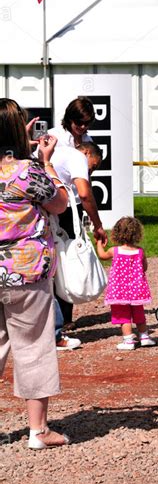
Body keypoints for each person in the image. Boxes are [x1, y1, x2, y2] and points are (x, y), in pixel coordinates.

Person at [0, 98, 70, 448]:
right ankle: (38, 431)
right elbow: (60, 203)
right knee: (33, 348)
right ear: (17, 130)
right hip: (26, 273)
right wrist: (45, 161)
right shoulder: (27, 172)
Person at [51, 141, 107, 334]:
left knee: (50, 265)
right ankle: (61, 322)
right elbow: (84, 194)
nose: (91, 172)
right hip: (62, 212)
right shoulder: (77, 157)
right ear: (86, 152)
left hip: (45, 210)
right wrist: (98, 225)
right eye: (93, 166)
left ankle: (54, 322)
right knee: (66, 263)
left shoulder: (56, 153)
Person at [96, 216, 156, 350]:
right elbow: (144, 267)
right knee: (139, 313)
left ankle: (128, 340)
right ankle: (144, 336)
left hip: (119, 290)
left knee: (124, 315)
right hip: (137, 290)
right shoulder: (140, 252)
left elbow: (102, 255)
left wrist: (99, 243)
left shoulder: (115, 251)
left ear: (117, 233)